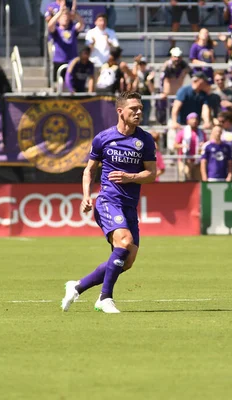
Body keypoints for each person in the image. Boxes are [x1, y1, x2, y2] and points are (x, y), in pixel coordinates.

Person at [61, 91, 157, 314]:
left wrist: (130, 177)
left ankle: (77, 286)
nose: (139, 112)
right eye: (134, 109)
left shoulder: (145, 140)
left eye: (140, 108)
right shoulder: (103, 138)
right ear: (120, 111)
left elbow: (152, 174)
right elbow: (89, 170)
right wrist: (86, 195)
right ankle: (105, 298)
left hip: (129, 205)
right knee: (124, 243)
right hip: (107, 201)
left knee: (127, 260)